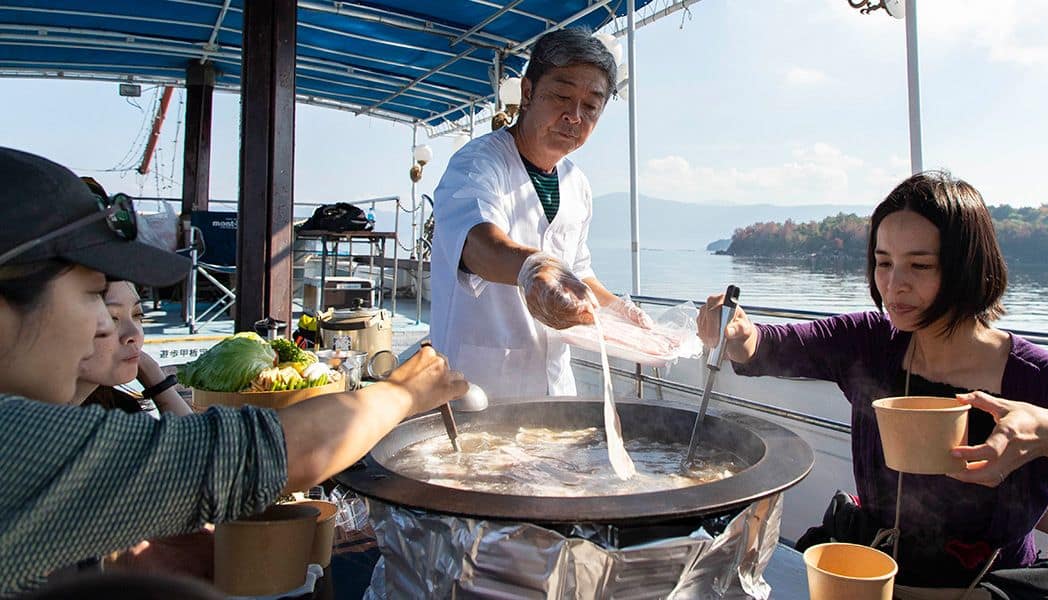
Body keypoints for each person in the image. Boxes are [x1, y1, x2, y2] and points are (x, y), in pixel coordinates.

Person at [697, 171, 1048, 588]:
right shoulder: (872, 342)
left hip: (983, 588)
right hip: (869, 577)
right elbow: (765, 345)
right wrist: (736, 329)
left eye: (920, 265)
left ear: (966, 268)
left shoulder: (1041, 382)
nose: (894, 286)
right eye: (883, 263)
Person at [0, 147, 468, 594]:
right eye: (91, 295)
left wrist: (109, 557)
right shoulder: (15, 444)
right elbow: (246, 456)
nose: (105, 324)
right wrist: (402, 392)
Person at [431, 28, 650, 398]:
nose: (574, 116)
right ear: (529, 92)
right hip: (478, 384)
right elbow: (477, 245)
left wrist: (618, 310)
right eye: (562, 96)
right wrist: (534, 267)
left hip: (554, 385)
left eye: (591, 107)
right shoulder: (478, 164)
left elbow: (578, 271)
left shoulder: (576, 184)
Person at [74, 280, 191, 417]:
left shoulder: (119, 408)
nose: (134, 334)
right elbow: (196, 435)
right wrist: (160, 386)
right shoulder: (52, 427)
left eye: (137, 315)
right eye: (111, 318)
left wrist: (156, 379)